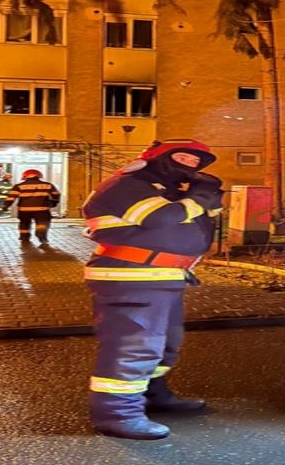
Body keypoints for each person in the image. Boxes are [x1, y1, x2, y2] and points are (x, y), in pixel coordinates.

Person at [82, 139, 225, 440]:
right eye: (182, 158)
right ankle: (117, 414)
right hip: (130, 276)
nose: (189, 166)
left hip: (163, 275)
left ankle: (152, 395)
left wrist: (202, 203)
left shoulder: (168, 192)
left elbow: (190, 222)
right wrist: (199, 199)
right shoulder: (126, 184)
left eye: (195, 164)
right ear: (155, 157)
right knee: (135, 344)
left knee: (165, 344)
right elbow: (161, 219)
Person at [2, 169, 61, 244]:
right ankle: (41, 235)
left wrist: (6, 206)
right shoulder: (48, 185)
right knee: (42, 223)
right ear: (39, 176)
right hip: (42, 210)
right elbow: (56, 194)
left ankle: (24, 237)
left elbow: (11, 197)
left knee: (24, 223)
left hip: (24, 210)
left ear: (25, 176)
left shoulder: (19, 186)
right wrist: (54, 202)